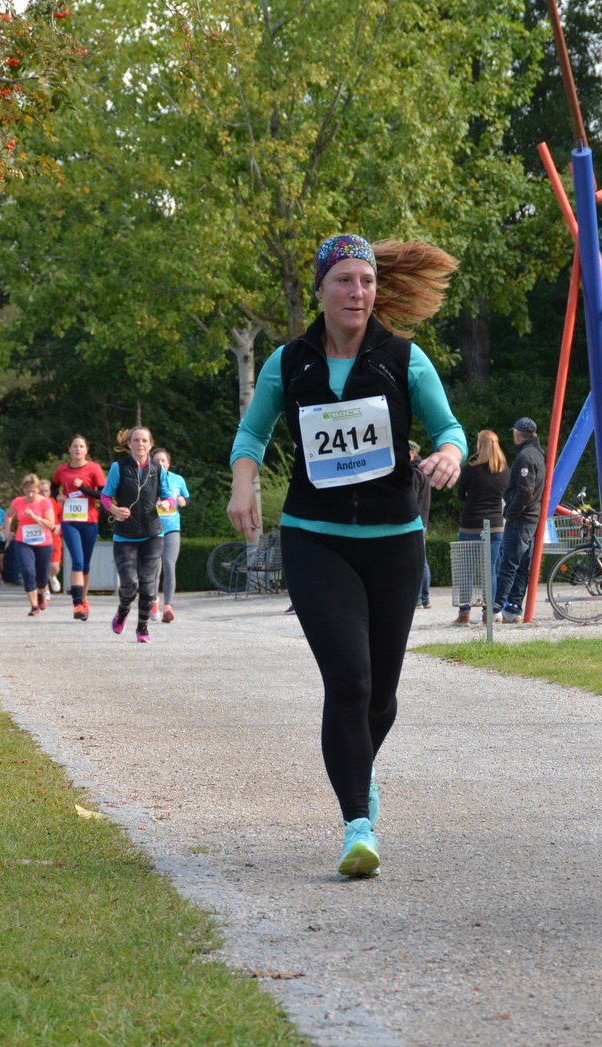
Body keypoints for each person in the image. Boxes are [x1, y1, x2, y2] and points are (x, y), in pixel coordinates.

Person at [227, 233, 466, 877]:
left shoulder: (404, 359)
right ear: (321, 289)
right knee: (350, 681)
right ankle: (357, 824)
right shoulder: (289, 361)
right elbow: (253, 432)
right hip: (316, 537)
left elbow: (450, 430)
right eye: (344, 281)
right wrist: (242, 482)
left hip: (393, 541)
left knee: (381, 697)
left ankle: (358, 774)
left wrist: (447, 455)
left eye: (366, 281)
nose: (357, 292)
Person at [102, 427, 165, 641]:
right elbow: (105, 497)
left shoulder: (157, 468)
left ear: (150, 444)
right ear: (129, 444)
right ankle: (122, 611)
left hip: (153, 534)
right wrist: (115, 510)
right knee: (129, 584)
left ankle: (143, 629)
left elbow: (169, 497)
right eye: (136, 440)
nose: (140, 444)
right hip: (125, 536)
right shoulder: (118, 468)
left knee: (148, 584)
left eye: (144, 440)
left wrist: (167, 503)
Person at [452, 429, 508, 626]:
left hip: (471, 525)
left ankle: (464, 614)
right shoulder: (504, 470)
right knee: (491, 570)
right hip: (495, 525)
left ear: (479, 445)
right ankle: (488, 614)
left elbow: (460, 496)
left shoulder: (470, 468)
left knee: (466, 570)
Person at [492, 417, 544, 623]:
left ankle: (495, 609)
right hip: (531, 517)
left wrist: (511, 512)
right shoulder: (539, 454)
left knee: (507, 564)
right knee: (521, 565)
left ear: (517, 434)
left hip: (521, 518)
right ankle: (513, 607)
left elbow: (526, 490)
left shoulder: (525, 457)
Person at [52, 435, 106, 621]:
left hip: (90, 521)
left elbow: (103, 495)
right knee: (77, 561)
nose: (78, 449)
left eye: (81, 446)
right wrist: (56, 497)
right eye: (75, 446)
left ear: (86, 450)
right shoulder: (62, 470)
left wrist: (83, 488)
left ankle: (84, 600)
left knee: (85, 564)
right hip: (69, 520)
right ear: (69, 449)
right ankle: (76, 604)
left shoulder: (94, 468)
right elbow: (54, 487)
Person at [7, 474, 59, 617]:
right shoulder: (18, 501)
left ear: (38, 489)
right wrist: (7, 530)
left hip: (44, 543)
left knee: (42, 576)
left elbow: (51, 524)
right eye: (27, 491)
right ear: (23, 489)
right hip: (23, 542)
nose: (30, 494)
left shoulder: (45, 502)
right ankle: (34, 606)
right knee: (28, 572)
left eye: (33, 491)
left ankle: (41, 594)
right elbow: (8, 515)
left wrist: (34, 517)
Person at [151, 447, 190, 624]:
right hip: (152, 529)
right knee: (154, 566)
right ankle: (153, 602)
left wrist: (183, 501)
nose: (160, 463)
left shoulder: (177, 479)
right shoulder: (146, 479)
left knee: (168, 563)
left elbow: (186, 499)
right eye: (157, 460)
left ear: (168, 463)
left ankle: (168, 606)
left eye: (163, 461)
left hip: (172, 528)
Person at [407, 442, 433, 609]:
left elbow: (411, 500)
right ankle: (424, 596)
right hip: (422, 520)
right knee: (421, 559)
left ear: (413, 453)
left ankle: (419, 597)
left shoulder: (414, 474)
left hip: (415, 521)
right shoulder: (423, 471)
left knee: (417, 560)